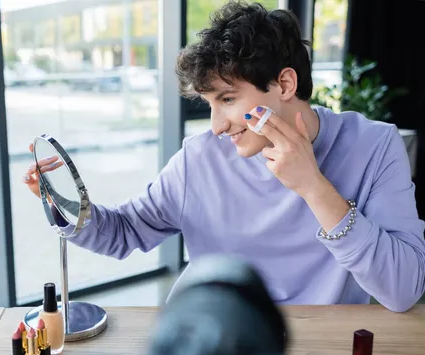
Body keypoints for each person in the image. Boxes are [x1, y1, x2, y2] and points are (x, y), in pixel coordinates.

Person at [23, 1, 425, 312]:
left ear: (285, 83)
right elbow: (125, 231)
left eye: (228, 99)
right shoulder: (200, 159)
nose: (216, 126)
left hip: (321, 354)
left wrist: (314, 187)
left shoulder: (375, 147)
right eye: (209, 104)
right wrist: (62, 203)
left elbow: (403, 291)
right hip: (215, 342)